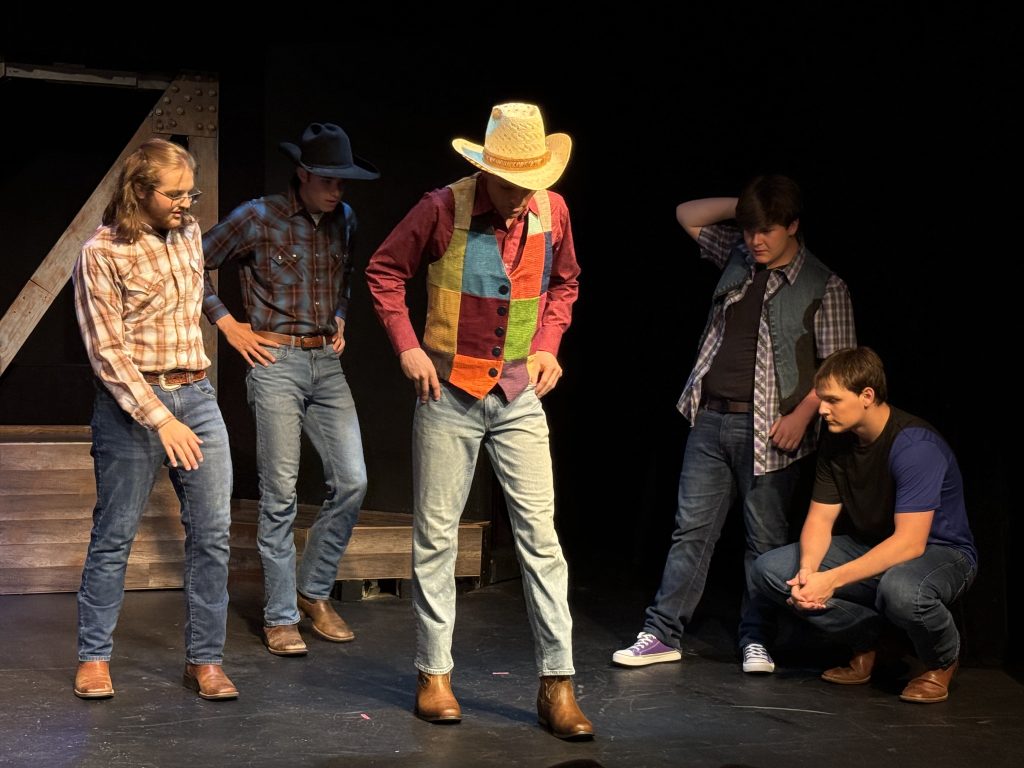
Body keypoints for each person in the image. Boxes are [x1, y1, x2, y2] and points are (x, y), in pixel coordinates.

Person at [364, 102, 593, 740]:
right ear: (487, 171)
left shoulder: (553, 209)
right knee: (437, 537)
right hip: (449, 392)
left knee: (541, 539)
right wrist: (408, 347)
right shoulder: (442, 207)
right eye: (511, 183)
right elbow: (385, 272)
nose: (522, 195)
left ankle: (558, 682)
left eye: (530, 182)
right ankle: (434, 674)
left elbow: (565, 284)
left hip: (519, 392)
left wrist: (548, 344)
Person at [612, 175, 857, 674]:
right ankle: (662, 633)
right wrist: (746, 207)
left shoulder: (824, 285)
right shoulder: (739, 255)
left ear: (793, 226)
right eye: (748, 229)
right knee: (690, 532)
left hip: (771, 430)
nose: (755, 240)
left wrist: (801, 416)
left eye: (766, 230)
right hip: (710, 417)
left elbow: (841, 367)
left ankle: (757, 638)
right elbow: (686, 213)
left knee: (764, 542)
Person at [202, 122, 379, 656]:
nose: (337, 190)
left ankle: (312, 590)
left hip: (326, 363)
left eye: (342, 182)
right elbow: (190, 264)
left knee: (352, 481)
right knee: (280, 494)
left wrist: (341, 315)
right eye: (328, 180)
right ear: (302, 174)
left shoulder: (345, 219)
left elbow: (347, 276)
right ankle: (280, 616)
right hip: (275, 361)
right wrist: (227, 323)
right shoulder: (258, 216)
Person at [72, 138, 237, 701]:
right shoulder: (101, 253)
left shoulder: (187, 233)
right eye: (174, 194)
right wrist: (161, 419)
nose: (186, 204)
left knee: (212, 533)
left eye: (191, 194)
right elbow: (106, 352)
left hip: (197, 393)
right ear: (139, 191)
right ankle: (94, 656)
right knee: (114, 533)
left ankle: (205, 660)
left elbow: (195, 298)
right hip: (132, 407)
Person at [749, 346, 977, 703]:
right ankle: (875, 641)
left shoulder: (915, 446)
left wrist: (831, 580)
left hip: (940, 552)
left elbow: (910, 543)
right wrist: (809, 572)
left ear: (867, 396)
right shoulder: (837, 440)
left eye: (832, 400)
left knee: (901, 590)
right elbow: (820, 519)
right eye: (821, 399)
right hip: (872, 544)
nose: (822, 409)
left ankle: (941, 659)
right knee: (772, 571)